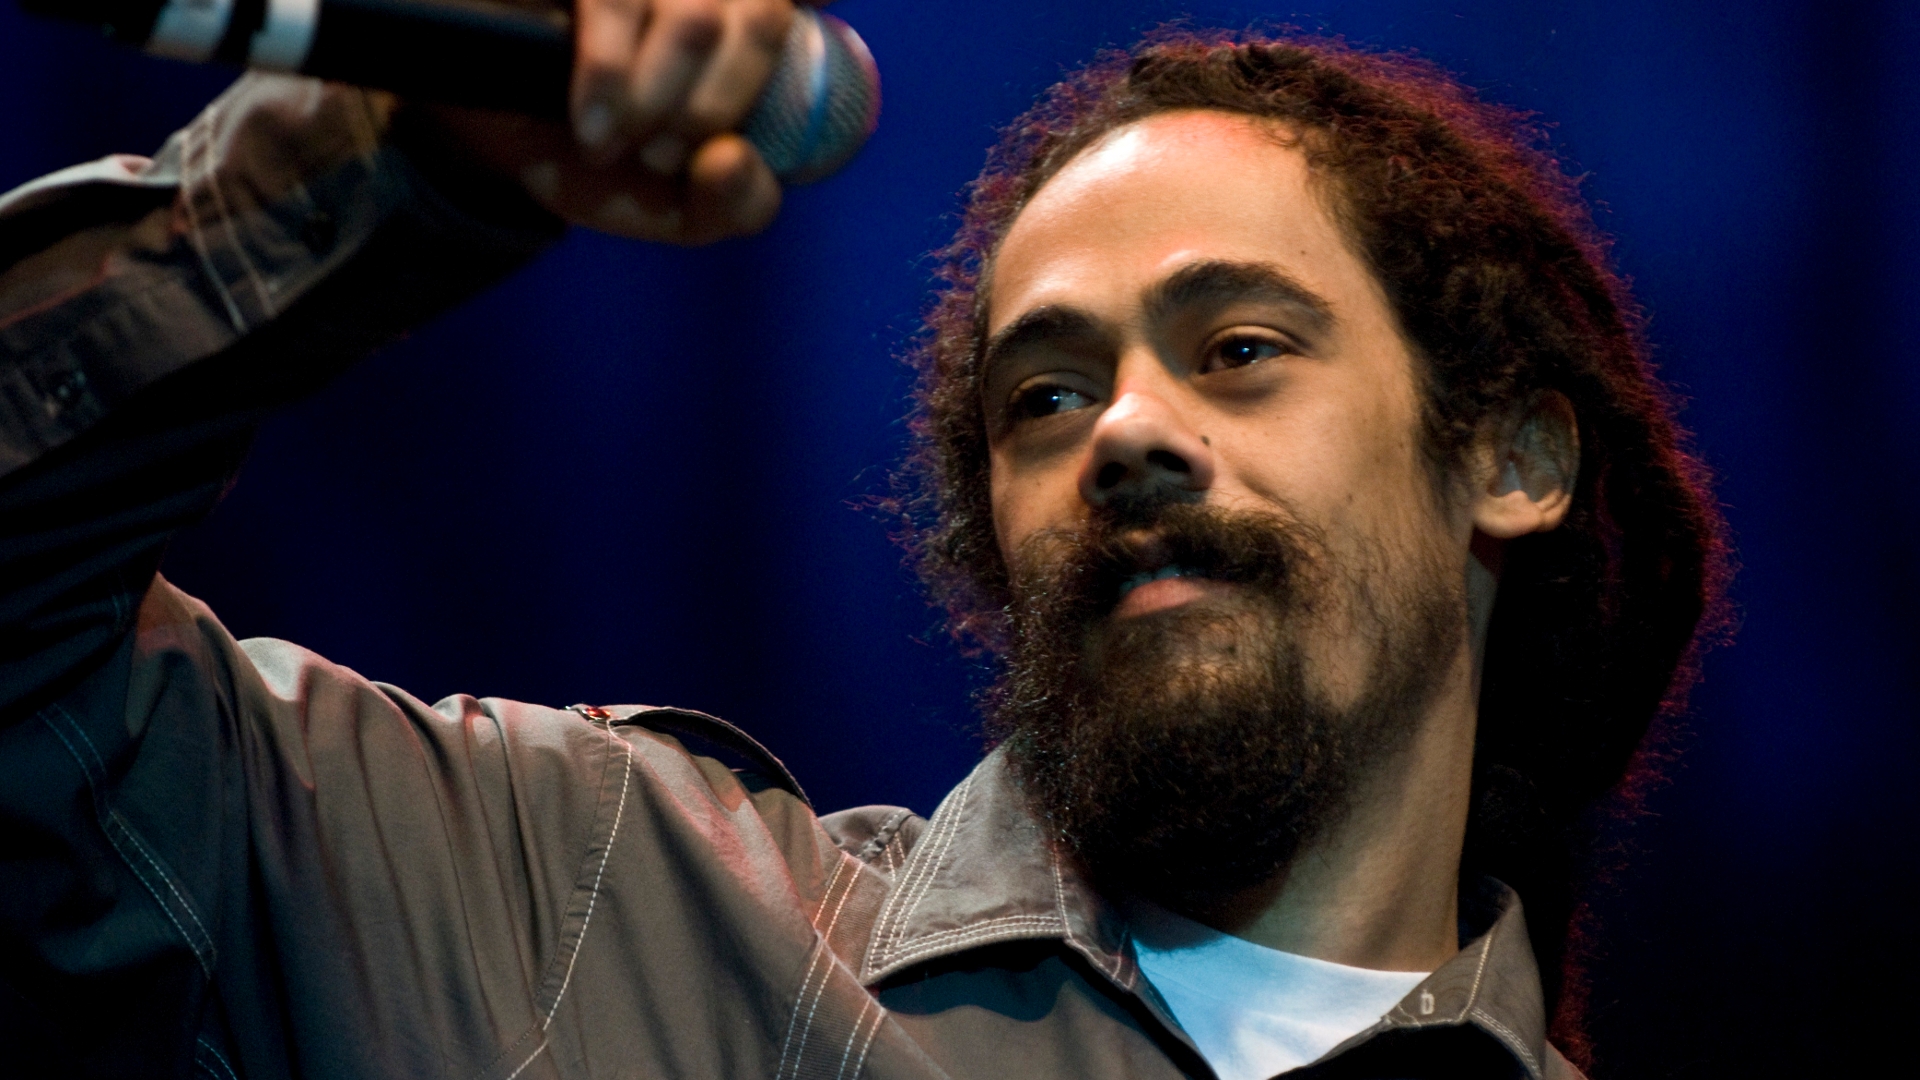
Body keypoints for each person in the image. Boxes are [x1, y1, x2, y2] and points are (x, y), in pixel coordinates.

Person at [0, 2, 1728, 1077]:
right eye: (1044, 397)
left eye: (1241, 350)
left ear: (1508, 455)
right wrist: (392, 172)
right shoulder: (580, 907)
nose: (1124, 431)